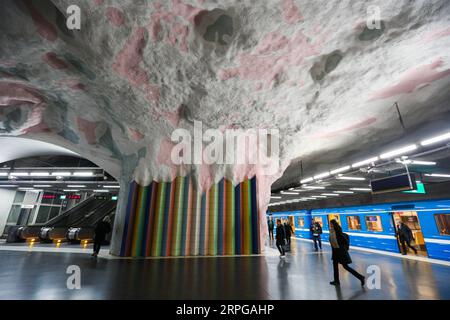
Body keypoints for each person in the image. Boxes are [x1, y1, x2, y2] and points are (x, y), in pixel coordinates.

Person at [329, 219, 365, 287]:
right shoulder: (331, 231)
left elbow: (345, 241)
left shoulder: (338, 232)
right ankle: (336, 281)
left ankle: (361, 277)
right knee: (335, 267)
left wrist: (344, 248)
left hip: (340, 252)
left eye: (331, 224)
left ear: (333, 224)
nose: (330, 225)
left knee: (346, 267)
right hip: (335, 252)